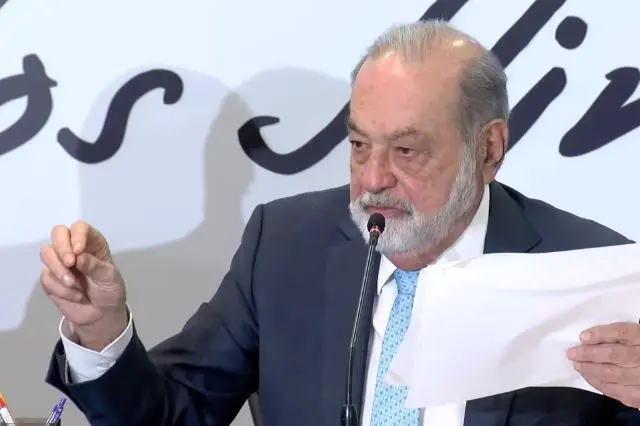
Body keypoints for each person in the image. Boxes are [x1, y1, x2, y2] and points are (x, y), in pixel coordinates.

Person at [39, 20, 640, 426]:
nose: (373, 178)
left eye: (406, 151)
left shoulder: (588, 272)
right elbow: (172, 414)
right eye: (358, 145)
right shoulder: (284, 245)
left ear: (488, 148)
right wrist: (101, 328)